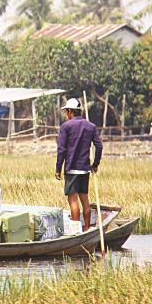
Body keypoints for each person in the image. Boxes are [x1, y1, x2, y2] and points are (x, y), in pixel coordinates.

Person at [55, 98, 103, 231]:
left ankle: (77, 231)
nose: (66, 114)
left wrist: (58, 168)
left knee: (73, 200)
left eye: (66, 112)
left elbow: (62, 150)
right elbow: (99, 146)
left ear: (70, 111)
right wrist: (95, 164)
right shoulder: (90, 126)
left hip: (71, 169)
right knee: (85, 200)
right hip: (84, 169)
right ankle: (87, 229)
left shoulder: (66, 126)